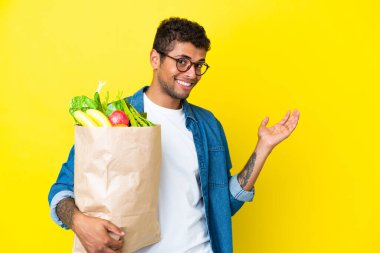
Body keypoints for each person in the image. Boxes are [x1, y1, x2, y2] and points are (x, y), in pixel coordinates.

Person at [48, 17, 300, 253]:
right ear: (155, 59)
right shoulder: (114, 119)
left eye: (199, 65)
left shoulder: (208, 124)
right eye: (182, 61)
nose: (192, 74)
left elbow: (222, 205)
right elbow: (61, 191)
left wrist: (263, 148)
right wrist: (78, 221)